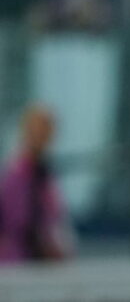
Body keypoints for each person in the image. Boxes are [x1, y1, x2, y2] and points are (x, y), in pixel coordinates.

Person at [0, 106, 74, 263]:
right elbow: (19, 224)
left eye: (46, 131)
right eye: (37, 130)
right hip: (17, 263)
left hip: (37, 262)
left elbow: (54, 218)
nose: (42, 137)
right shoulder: (17, 174)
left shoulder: (44, 174)